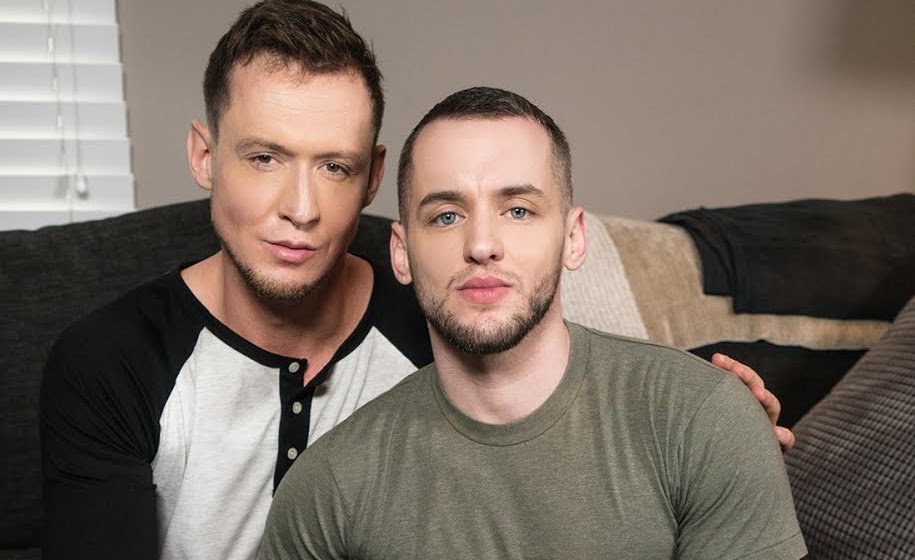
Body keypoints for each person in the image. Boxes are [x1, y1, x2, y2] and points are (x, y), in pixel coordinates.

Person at [39, 2, 792, 559]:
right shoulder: (113, 361)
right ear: (205, 157)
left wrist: (715, 412)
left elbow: (568, 375)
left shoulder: (443, 309)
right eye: (264, 158)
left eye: (334, 166)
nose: (300, 208)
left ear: (371, 177)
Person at [257, 86, 808, 559]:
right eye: (446, 215)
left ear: (573, 238)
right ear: (401, 253)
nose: (481, 244)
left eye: (518, 210)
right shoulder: (328, 489)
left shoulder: (703, 421)